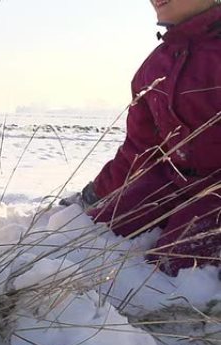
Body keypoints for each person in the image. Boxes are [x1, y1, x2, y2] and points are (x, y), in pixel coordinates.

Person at [63, 0, 221, 277]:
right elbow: (140, 151)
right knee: (93, 233)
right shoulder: (154, 68)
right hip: (171, 182)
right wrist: (96, 194)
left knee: (178, 266)